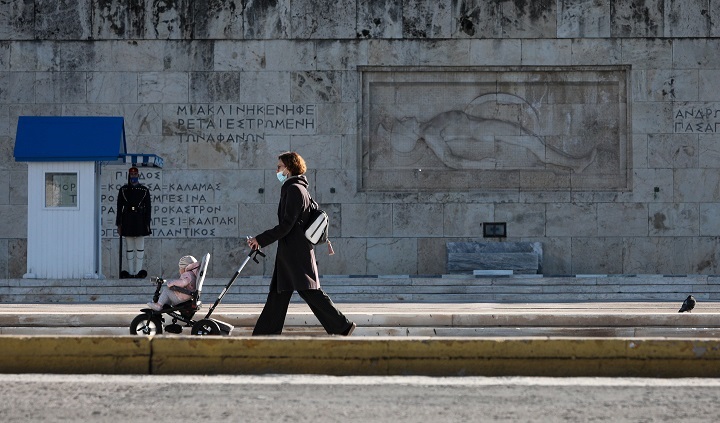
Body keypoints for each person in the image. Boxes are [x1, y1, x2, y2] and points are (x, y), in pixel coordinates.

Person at [247, 151, 356, 336]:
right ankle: (265, 333)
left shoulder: (294, 189)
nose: (277, 170)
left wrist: (260, 239)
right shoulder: (298, 188)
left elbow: (287, 225)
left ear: (289, 168)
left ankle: (342, 325)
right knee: (279, 293)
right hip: (292, 251)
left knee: (309, 292)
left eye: (280, 166)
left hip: (294, 252)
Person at [116, 166, 152, 279]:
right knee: (129, 248)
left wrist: (147, 223)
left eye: (135, 175)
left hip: (140, 220)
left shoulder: (144, 190)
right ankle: (131, 272)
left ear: (138, 175)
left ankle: (138, 271)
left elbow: (148, 208)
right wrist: (119, 224)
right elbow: (119, 208)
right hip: (127, 219)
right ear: (129, 176)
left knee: (140, 248)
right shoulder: (123, 190)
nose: (133, 177)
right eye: (132, 175)